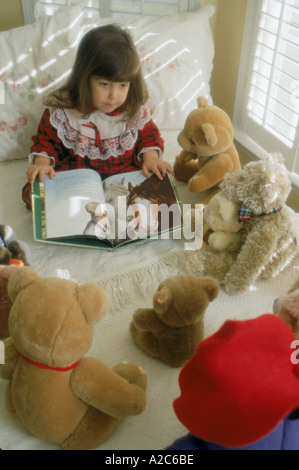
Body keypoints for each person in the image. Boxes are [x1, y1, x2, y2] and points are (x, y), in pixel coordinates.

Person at [22, 24, 172, 208]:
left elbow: (148, 137)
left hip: (122, 176)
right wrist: (43, 163)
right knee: (38, 193)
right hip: (77, 176)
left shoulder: (133, 109)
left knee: (158, 190)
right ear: (85, 78)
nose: (114, 95)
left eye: (122, 85)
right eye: (104, 84)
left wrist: (151, 158)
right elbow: (46, 142)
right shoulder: (62, 112)